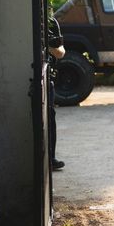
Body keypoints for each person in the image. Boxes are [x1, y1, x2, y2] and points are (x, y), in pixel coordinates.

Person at [47, 15, 66, 171]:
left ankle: (51, 158)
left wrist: (48, 47)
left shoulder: (51, 23)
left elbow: (61, 52)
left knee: (50, 116)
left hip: (48, 78)